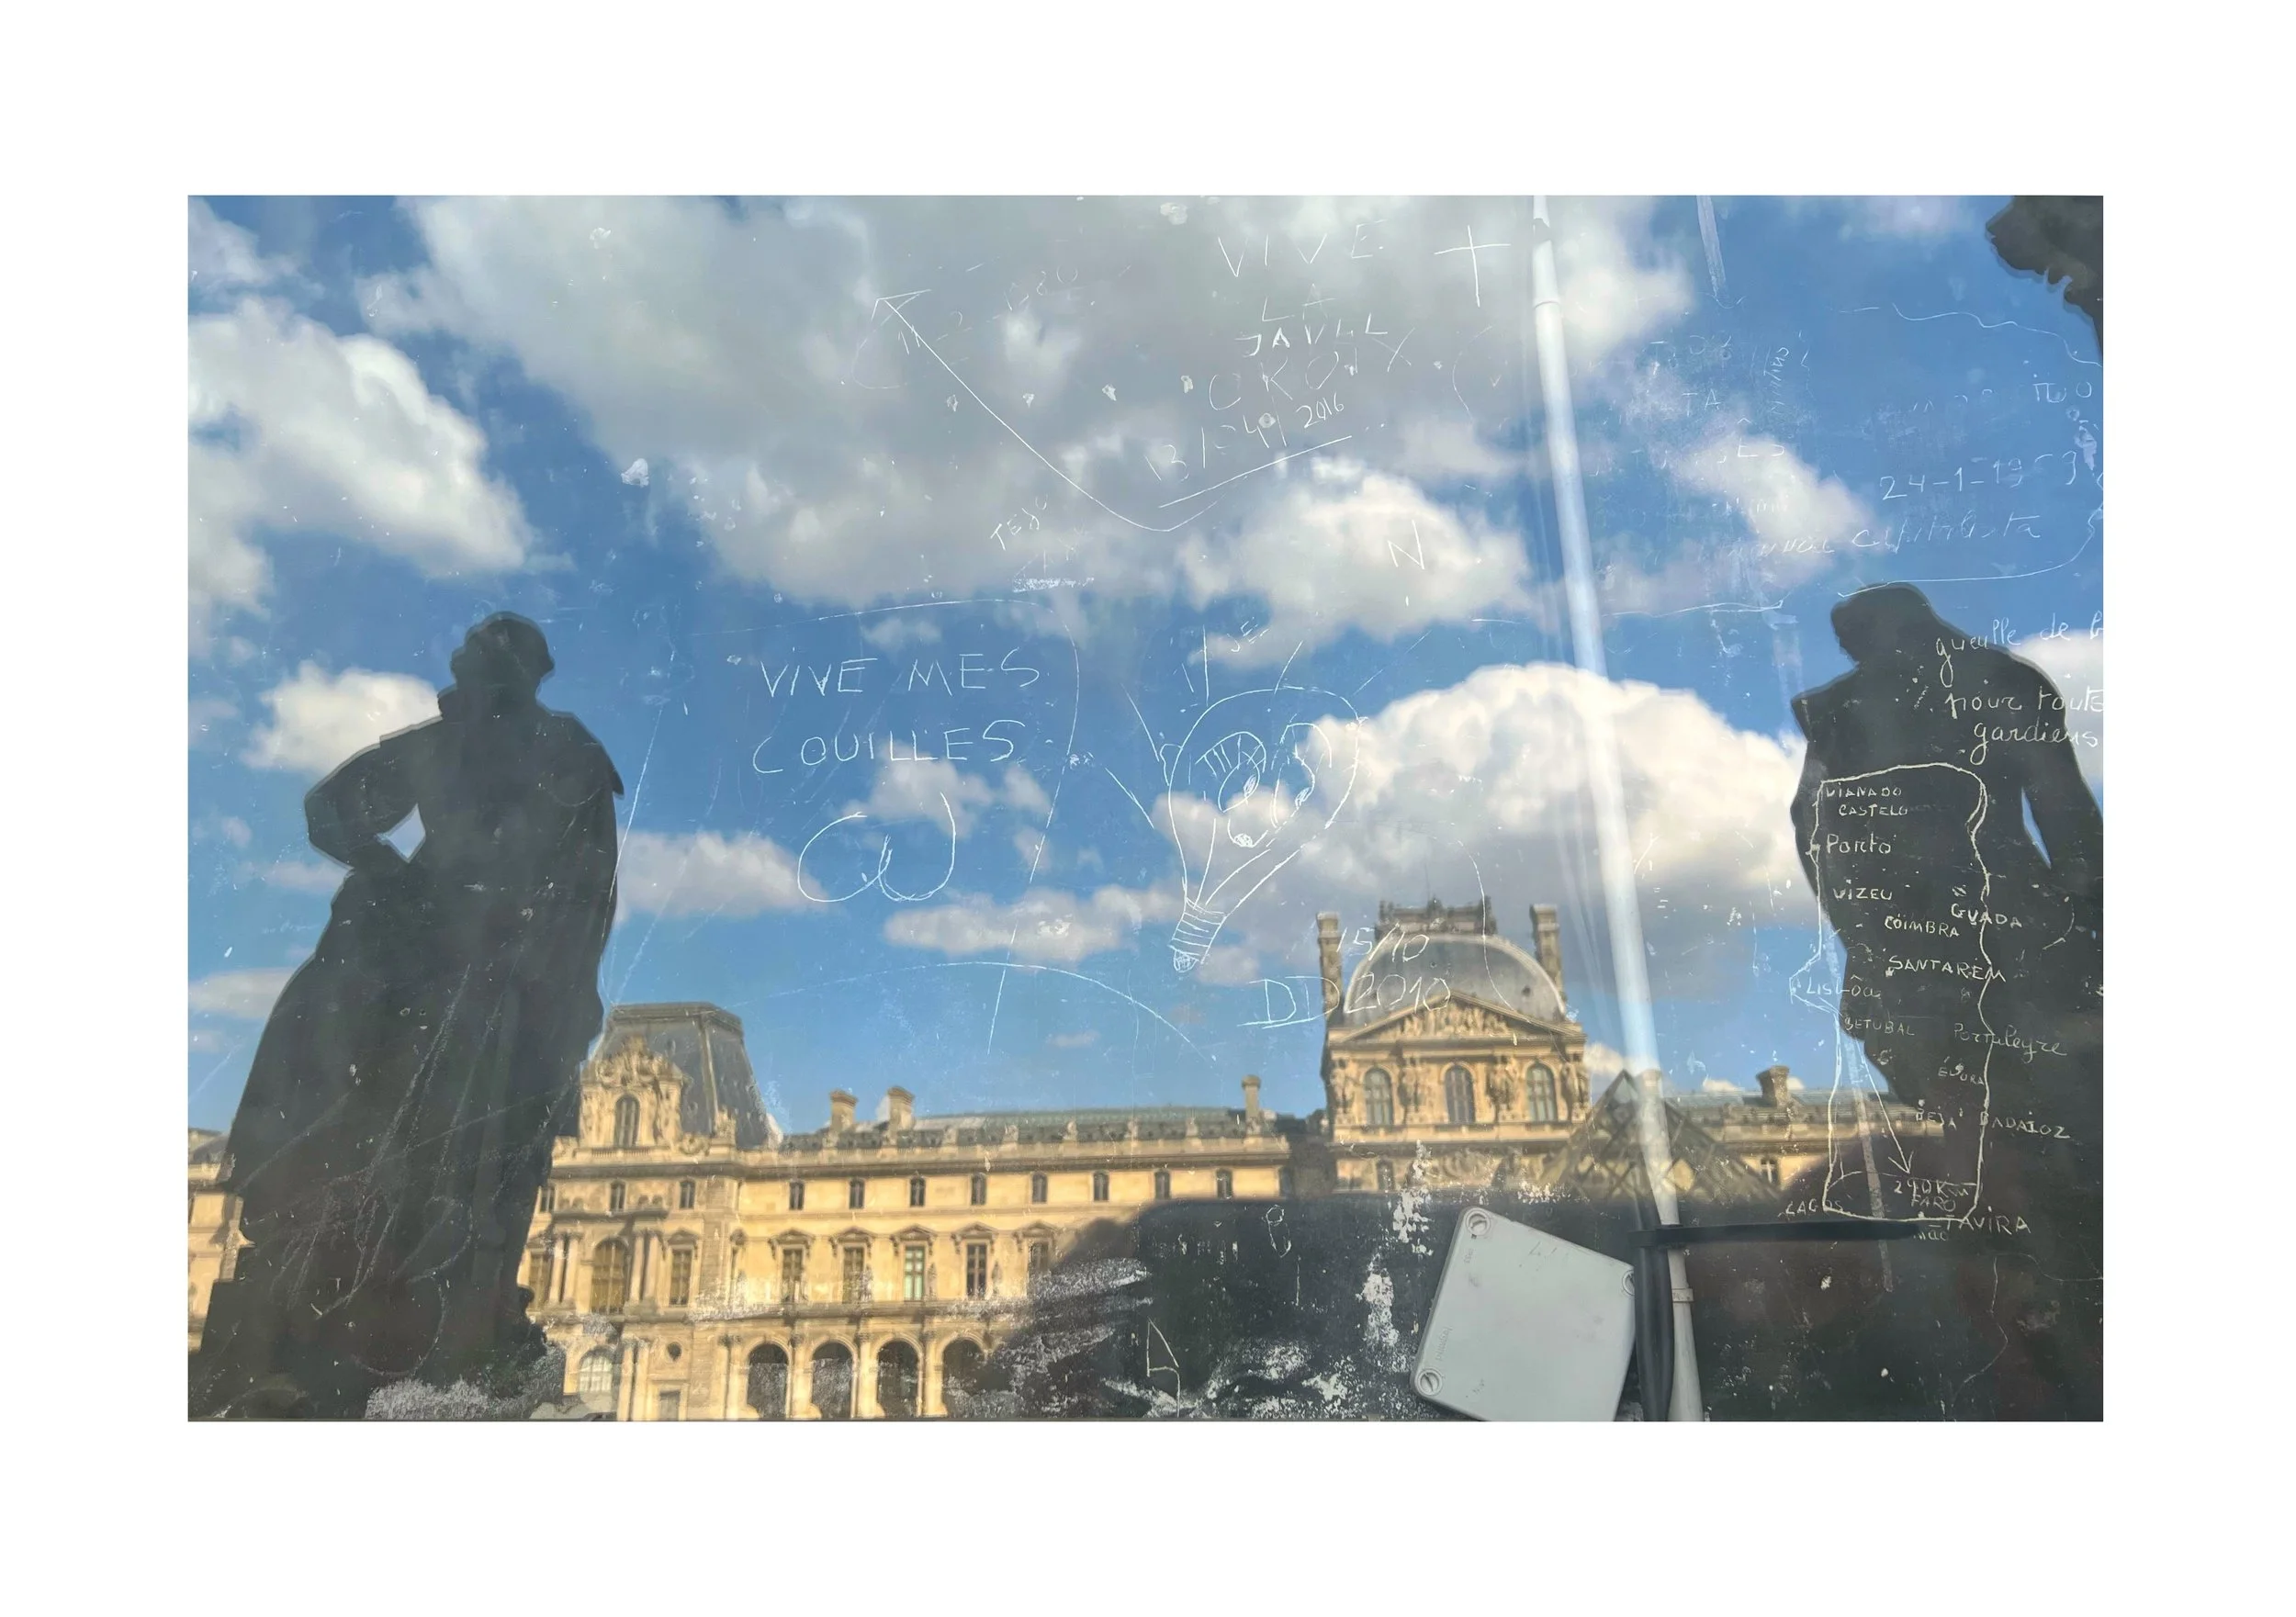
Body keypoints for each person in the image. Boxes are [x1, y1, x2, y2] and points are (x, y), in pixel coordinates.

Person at [191, 615, 622, 1418]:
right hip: (470, 955)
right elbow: (331, 809)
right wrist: (391, 871)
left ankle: (391, 1271)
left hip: (485, 961)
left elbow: (330, 810)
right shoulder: (549, 752)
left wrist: (391, 871)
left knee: (420, 1114)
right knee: (359, 1079)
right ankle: (386, 1269)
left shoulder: (466, 746)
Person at [1790, 584, 2101, 1416]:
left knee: (2005, 1169)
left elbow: (1813, 834)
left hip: (1940, 975)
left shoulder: (1835, 712)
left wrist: (1876, 944)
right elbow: (2075, 832)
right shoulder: (2008, 684)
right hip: (2020, 957)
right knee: (2051, 1176)